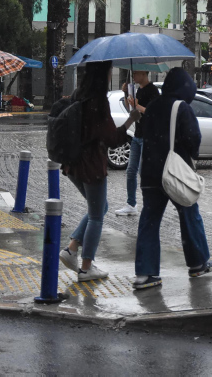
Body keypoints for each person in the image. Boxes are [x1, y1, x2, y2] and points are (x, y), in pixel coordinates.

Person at [133, 67, 212, 290]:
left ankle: (145, 273)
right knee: (189, 214)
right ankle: (198, 262)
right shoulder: (181, 107)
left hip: (150, 173)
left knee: (149, 222)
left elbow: (143, 135)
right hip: (173, 173)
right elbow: (193, 139)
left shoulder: (151, 108)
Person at [59, 61, 140, 282]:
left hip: (72, 163)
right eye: (109, 71)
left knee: (100, 207)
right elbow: (112, 138)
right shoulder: (98, 102)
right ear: (102, 74)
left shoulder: (78, 96)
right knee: (96, 215)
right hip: (91, 165)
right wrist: (130, 120)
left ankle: (72, 248)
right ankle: (86, 266)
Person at [115, 70, 159, 216]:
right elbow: (132, 112)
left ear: (144, 73)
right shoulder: (136, 90)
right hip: (137, 135)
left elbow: (153, 112)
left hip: (149, 137)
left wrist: (137, 105)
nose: (133, 76)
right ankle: (131, 204)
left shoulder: (153, 91)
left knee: (144, 171)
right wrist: (126, 95)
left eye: (136, 73)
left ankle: (151, 203)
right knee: (131, 170)